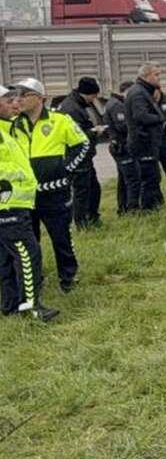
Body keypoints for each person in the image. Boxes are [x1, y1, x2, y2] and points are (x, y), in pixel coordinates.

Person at [10, 78, 89, 293]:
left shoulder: (60, 120)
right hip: (25, 195)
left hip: (55, 193)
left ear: (39, 98)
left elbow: (83, 144)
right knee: (30, 241)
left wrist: (67, 169)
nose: (18, 100)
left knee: (61, 237)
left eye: (23, 95)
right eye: (16, 95)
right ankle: (36, 280)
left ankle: (69, 277)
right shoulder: (14, 124)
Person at [0, 84, 58, 321]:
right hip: (8, 204)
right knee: (27, 254)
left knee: (5, 258)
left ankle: (11, 305)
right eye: (7, 99)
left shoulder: (7, 129)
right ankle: (31, 306)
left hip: (14, 203)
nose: (15, 103)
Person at [58, 77, 107, 228]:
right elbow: (75, 135)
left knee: (93, 188)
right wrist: (94, 131)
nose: (95, 99)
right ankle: (82, 223)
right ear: (86, 93)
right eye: (93, 95)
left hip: (85, 155)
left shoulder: (83, 104)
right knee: (82, 191)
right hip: (76, 156)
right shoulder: (71, 108)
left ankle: (92, 217)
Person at [124, 64, 166, 211]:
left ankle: (154, 206)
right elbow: (141, 116)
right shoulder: (138, 93)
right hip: (142, 142)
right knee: (149, 177)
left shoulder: (144, 91)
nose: (159, 78)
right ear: (146, 76)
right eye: (156, 74)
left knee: (153, 176)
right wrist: (160, 118)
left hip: (148, 142)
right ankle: (149, 210)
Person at [102, 82, 138, 215]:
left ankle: (123, 208)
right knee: (132, 179)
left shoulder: (113, 103)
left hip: (118, 145)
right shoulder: (117, 105)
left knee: (123, 179)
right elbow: (122, 126)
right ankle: (132, 209)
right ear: (126, 91)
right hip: (122, 146)